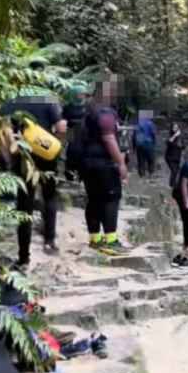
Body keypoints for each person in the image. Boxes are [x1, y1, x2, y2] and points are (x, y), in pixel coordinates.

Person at [0, 94, 67, 267]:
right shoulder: (47, 100)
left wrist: (7, 162)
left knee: (24, 207)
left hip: (21, 158)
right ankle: (49, 241)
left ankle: (24, 257)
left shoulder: (9, 104)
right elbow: (61, 127)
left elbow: (3, 136)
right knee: (50, 196)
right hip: (46, 156)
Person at [80, 77, 131, 255]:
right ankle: (110, 240)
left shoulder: (88, 109)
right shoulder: (105, 112)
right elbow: (109, 138)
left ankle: (95, 239)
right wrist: (121, 163)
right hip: (103, 163)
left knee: (94, 199)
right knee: (111, 198)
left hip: (86, 162)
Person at [62, 84, 90, 181]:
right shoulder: (67, 107)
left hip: (84, 132)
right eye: (80, 94)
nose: (82, 96)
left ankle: (82, 175)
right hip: (71, 131)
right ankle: (69, 173)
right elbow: (63, 120)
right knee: (71, 151)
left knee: (84, 152)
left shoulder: (87, 106)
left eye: (84, 94)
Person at [133, 110, 157, 178]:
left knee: (141, 159)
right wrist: (154, 142)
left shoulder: (138, 124)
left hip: (139, 144)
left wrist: (134, 146)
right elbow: (153, 134)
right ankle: (151, 173)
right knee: (151, 159)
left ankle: (142, 174)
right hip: (148, 143)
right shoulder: (151, 124)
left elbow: (134, 136)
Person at [164, 122, 184, 189]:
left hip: (177, 157)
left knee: (176, 171)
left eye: (176, 127)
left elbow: (183, 146)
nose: (175, 129)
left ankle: (174, 185)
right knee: (174, 171)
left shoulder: (180, 137)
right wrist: (175, 135)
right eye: (174, 127)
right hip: (169, 157)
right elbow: (168, 142)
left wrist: (182, 146)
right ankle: (171, 185)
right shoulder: (170, 135)